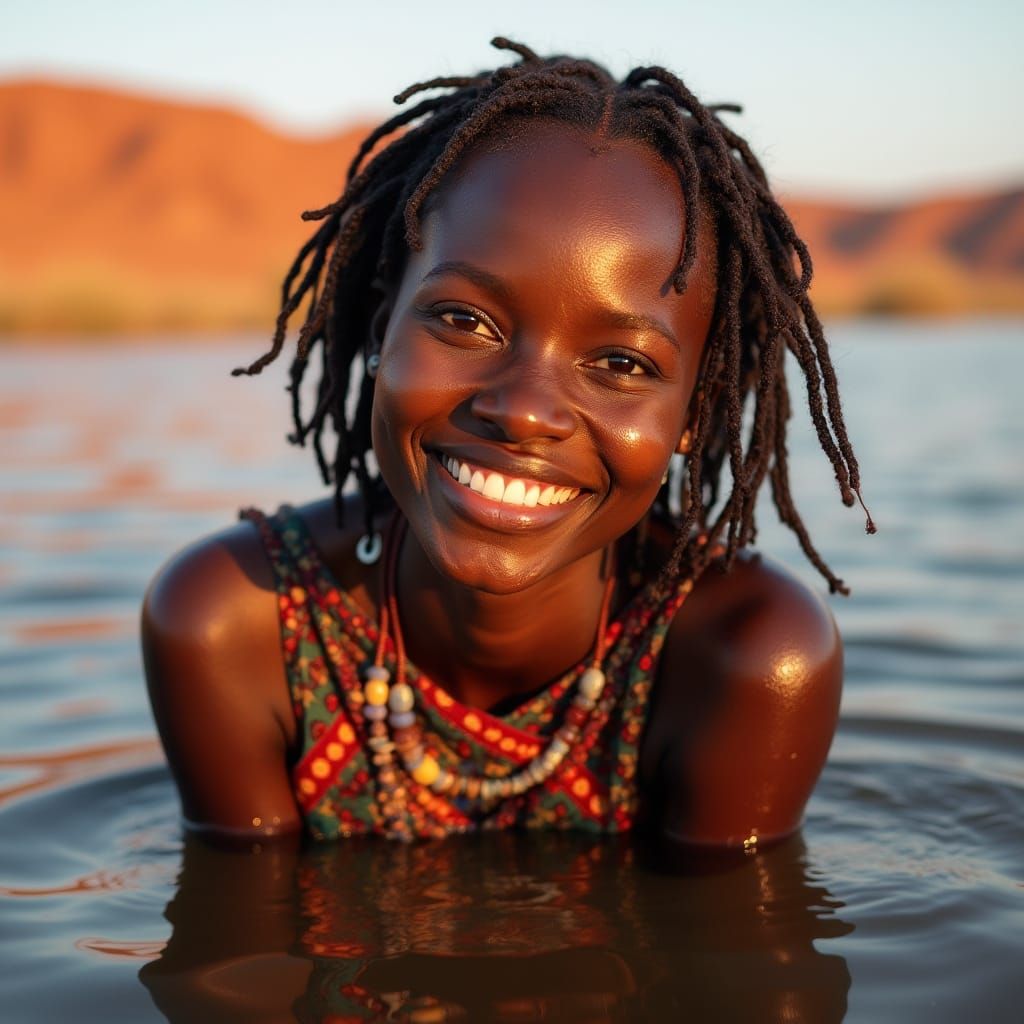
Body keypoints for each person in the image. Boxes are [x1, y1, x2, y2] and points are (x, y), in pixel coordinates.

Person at [142, 38, 873, 847]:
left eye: (622, 363)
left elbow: (731, 960)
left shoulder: (745, 660)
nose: (525, 412)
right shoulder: (237, 626)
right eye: (464, 320)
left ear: (695, 414)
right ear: (384, 329)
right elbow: (242, 958)